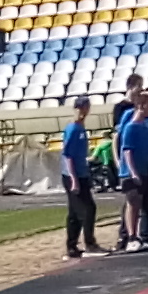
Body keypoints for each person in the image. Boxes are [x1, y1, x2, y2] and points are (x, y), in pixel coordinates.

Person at [114, 82, 148, 248]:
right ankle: (129, 236)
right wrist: (126, 167)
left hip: (144, 165)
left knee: (144, 201)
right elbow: (125, 147)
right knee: (132, 202)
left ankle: (141, 233)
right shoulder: (131, 123)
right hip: (133, 168)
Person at [58, 99, 101, 256]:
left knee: (75, 212)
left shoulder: (81, 129)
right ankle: (89, 243)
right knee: (87, 208)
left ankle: (72, 246)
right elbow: (68, 155)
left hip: (81, 172)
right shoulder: (73, 129)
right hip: (73, 175)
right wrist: (74, 178)